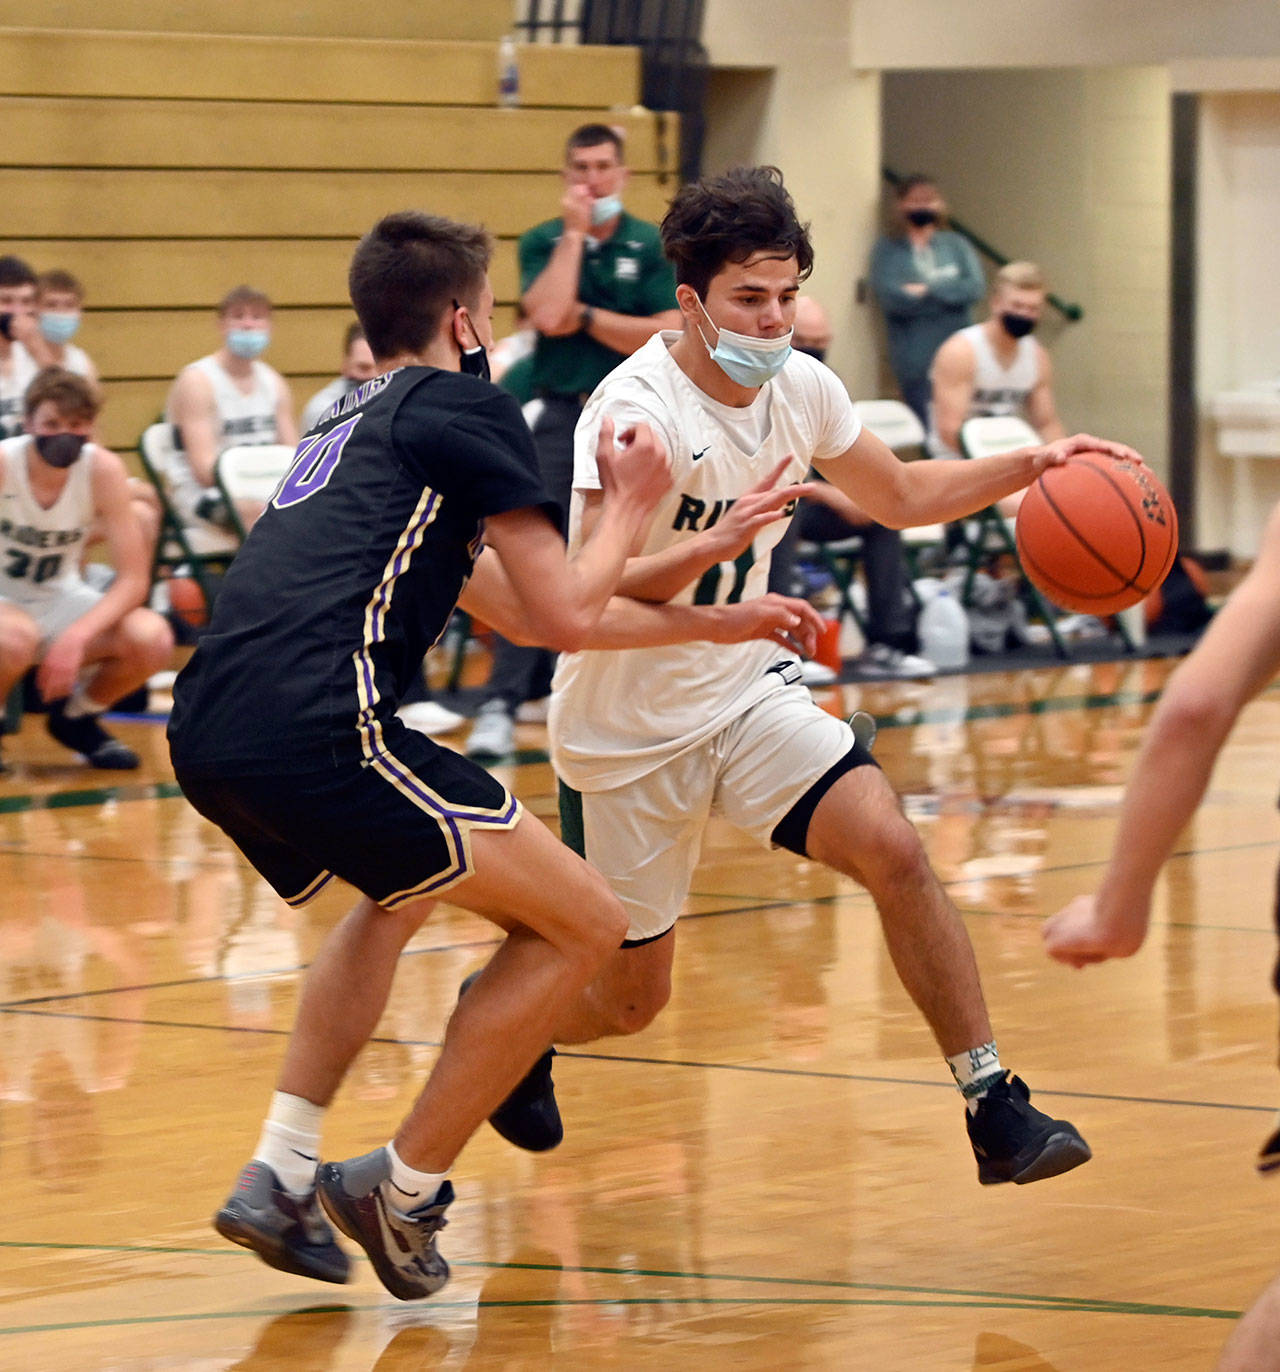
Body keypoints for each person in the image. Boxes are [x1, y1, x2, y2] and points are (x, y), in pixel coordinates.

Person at [169, 209, 820, 1301]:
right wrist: (629, 504)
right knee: (588, 919)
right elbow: (566, 612)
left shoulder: (346, 418)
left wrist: (712, 606)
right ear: (466, 320)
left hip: (212, 725)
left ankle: (280, 1170)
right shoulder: (468, 407)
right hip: (326, 721)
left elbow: (522, 615)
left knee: (399, 893)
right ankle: (403, 1185)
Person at [476, 165, 1141, 1187]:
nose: (775, 316)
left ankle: (991, 1100)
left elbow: (902, 492)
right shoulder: (630, 414)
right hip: (629, 719)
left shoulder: (804, 387)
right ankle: (510, 1030)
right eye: (750, 297)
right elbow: (577, 608)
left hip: (744, 686)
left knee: (893, 845)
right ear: (690, 303)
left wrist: (1029, 469)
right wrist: (712, 568)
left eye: (785, 294)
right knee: (628, 1002)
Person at [466, 122, 682, 759]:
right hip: (564, 414)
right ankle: (503, 702)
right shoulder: (543, 240)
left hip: (640, 416)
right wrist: (574, 238)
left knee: (640, 545)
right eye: (580, 168)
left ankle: (644, 696)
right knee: (536, 552)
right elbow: (548, 314)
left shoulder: (651, 243)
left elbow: (668, 331)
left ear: (625, 174)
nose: (592, 179)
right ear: (566, 178)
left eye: (603, 166)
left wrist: (588, 319)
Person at [0, 368, 173, 772]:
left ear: (91, 428)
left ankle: (77, 718)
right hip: (5, 598)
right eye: (52, 424)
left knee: (152, 637)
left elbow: (133, 580)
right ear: (28, 424)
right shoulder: (5, 463)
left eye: (76, 425)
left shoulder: (103, 470)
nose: (64, 434)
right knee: (15, 637)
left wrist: (77, 635)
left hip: (59, 596)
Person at [163, 285, 298, 532]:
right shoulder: (198, 381)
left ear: (269, 327)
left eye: (257, 317)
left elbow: (294, 459)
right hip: (203, 495)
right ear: (222, 325)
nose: (248, 325)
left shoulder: (274, 383)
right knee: (259, 518)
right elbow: (204, 471)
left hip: (262, 490)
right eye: (238, 316)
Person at [868, 175, 985, 429]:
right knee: (932, 432)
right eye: (916, 200)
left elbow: (973, 288)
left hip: (960, 355)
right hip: (915, 362)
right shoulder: (888, 249)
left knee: (964, 429)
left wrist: (928, 290)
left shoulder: (956, 245)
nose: (923, 207)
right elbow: (892, 299)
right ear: (901, 205)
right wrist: (948, 294)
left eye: (929, 200)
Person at [927, 260, 1065, 464]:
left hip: (1007, 454)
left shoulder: (1037, 356)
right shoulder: (961, 351)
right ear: (996, 303)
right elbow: (949, 430)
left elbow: (1046, 424)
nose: (1024, 314)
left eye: (1033, 309)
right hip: (957, 459)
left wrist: (1066, 458)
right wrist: (1000, 470)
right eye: (1017, 305)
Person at [300, 321, 378, 433]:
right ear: (345, 366)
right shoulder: (324, 412)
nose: (375, 376)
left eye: (380, 367)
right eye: (363, 368)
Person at [0, 256, 41, 442]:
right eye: (6, 300)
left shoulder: (41, 356)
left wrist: (39, 350)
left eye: (26, 302)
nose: (17, 311)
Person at [34, 270, 99, 385]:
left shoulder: (82, 363)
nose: (61, 313)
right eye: (51, 305)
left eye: (69, 305)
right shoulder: (14, 357)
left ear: (79, 312)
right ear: (35, 310)